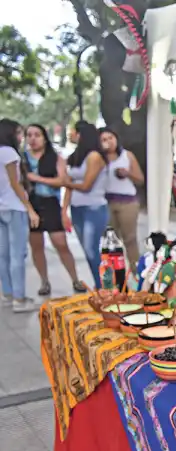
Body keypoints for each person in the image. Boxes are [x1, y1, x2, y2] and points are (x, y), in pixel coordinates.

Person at [23, 124, 86, 296]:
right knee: (36, 246)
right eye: (29, 135)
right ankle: (44, 281)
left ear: (44, 137)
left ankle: (75, 279)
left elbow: (62, 181)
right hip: (31, 203)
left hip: (50, 203)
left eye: (37, 134)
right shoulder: (22, 159)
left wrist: (36, 178)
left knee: (60, 243)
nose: (33, 138)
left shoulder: (56, 157)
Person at [0, 119, 40, 311]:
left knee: (4, 255)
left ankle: (7, 294)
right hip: (15, 208)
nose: (21, 137)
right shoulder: (9, 153)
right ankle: (19, 298)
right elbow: (16, 184)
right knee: (17, 254)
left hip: (2, 208)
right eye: (18, 133)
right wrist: (30, 209)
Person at [63, 122, 108, 288]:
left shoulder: (95, 156)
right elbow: (70, 186)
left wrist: (66, 182)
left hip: (94, 208)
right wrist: (64, 210)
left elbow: (86, 185)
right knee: (87, 251)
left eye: (73, 131)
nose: (70, 134)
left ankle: (103, 285)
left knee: (91, 249)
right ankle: (100, 284)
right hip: (77, 208)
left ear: (82, 134)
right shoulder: (77, 156)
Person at [100, 127, 143, 270]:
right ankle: (116, 273)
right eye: (104, 140)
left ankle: (136, 272)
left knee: (130, 238)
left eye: (110, 138)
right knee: (111, 239)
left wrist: (128, 173)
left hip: (127, 202)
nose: (108, 142)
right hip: (106, 202)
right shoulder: (98, 158)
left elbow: (140, 179)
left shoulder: (127, 155)